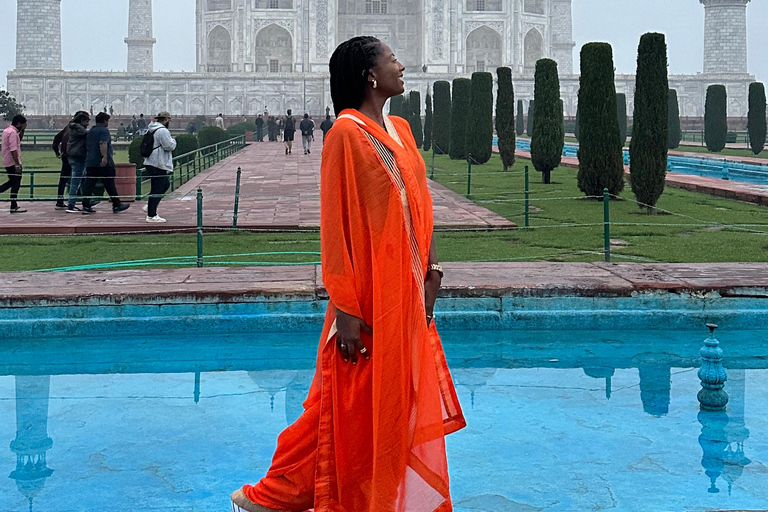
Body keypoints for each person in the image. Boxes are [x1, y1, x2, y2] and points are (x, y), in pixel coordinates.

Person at [230, 36, 465, 512]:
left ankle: (351, 494)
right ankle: (284, 494)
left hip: (410, 288)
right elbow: (335, 229)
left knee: (395, 403)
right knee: (348, 404)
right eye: (392, 58)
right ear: (369, 76)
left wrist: (433, 271)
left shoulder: (400, 127)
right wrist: (346, 309)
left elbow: (422, 205)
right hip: (367, 295)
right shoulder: (345, 133)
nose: (402, 64)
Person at [80, 112, 130, 215]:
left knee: (89, 185)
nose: (108, 123)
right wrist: (105, 157)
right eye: (107, 121)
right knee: (109, 183)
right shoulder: (104, 130)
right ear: (104, 121)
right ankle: (116, 204)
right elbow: (102, 143)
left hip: (91, 162)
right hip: (103, 163)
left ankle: (86, 205)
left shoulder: (90, 131)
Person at [141, 111, 176, 223]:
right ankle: (151, 215)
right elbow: (169, 146)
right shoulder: (162, 131)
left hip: (152, 161)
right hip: (157, 162)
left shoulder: (152, 128)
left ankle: (150, 205)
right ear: (165, 120)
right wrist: (174, 141)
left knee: (164, 184)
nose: (169, 122)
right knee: (157, 188)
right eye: (168, 120)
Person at [0, 115, 28, 213]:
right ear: (19, 124)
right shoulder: (12, 133)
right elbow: (13, 149)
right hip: (13, 162)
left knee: (13, 182)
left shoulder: (8, 131)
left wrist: (23, 131)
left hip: (8, 161)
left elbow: (17, 141)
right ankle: (13, 205)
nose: (24, 127)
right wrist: (17, 164)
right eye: (23, 125)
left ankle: (14, 204)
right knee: (15, 183)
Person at [65, 111, 90, 213]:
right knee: (76, 182)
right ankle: (71, 205)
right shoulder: (80, 129)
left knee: (82, 180)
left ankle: (87, 201)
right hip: (78, 156)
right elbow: (87, 134)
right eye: (87, 121)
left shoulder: (73, 128)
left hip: (72, 155)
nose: (88, 124)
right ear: (82, 121)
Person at [52, 122, 72, 209]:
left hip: (65, 156)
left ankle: (60, 200)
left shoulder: (67, 128)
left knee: (63, 179)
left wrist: (57, 151)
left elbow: (56, 139)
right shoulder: (77, 129)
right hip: (74, 156)